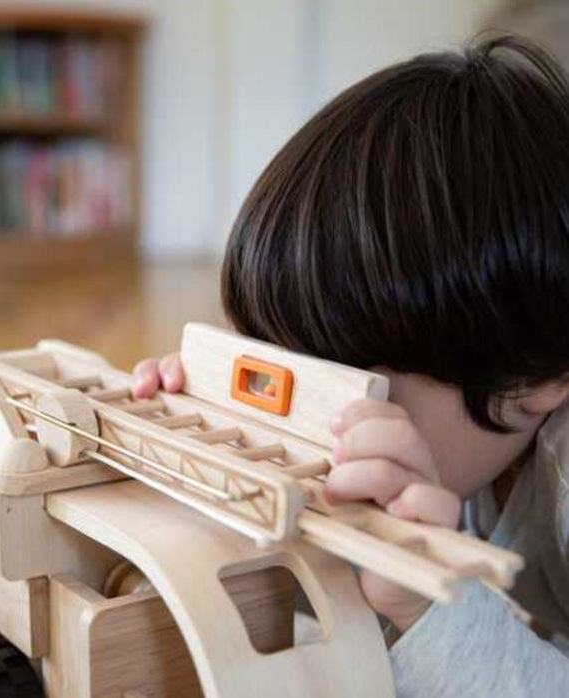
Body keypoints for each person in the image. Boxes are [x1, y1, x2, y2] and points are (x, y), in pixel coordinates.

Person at [132, 35, 569, 696]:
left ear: (538, 379)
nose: (303, 405)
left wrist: (428, 611)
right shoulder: (477, 424)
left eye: (343, 376)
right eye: (274, 353)